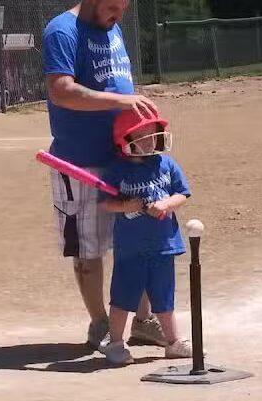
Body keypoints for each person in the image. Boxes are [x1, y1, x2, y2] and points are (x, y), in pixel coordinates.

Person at [43, 0, 166, 350]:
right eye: (113, 6)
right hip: (80, 161)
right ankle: (100, 323)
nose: (118, 14)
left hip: (125, 158)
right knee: (87, 248)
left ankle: (143, 321)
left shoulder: (112, 29)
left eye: (123, 7)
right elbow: (61, 90)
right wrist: (119, 101)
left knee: (135, 240)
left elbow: (117, 82)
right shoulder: (62, 31)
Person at [99, 110, 194, 365]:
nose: (149, 140)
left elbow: (182, 193)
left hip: (164, 245)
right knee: (123, 296)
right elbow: (105, 204)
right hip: (131, 248)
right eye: (140, 136)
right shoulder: (117, 169)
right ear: (125, 140)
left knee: (164, 297)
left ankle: (173, 342)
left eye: (151, 134)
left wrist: (165, 204)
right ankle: (115, 342)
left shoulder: (166, 163)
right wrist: (125, 207)